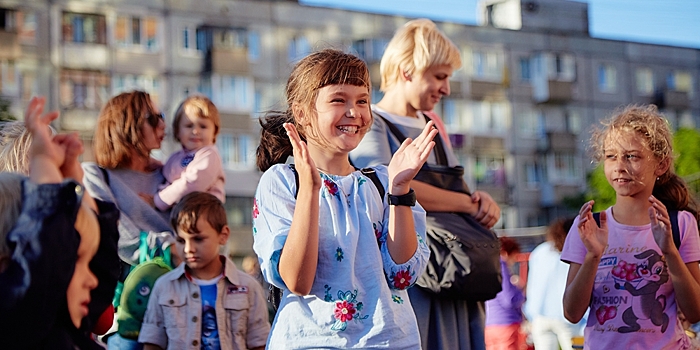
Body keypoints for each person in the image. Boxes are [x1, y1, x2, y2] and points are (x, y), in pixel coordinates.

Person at [253, 48, 436, 348]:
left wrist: (400, 191)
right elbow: (297, 281)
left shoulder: (381, 182)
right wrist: (311, 191)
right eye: (339, 100)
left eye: (362, 100)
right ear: (301, 113)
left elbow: (402, 275)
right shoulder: (282, 182)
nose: (355, 113)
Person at [349, 18, 501, 350]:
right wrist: (466, 204)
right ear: (407, 70)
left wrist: (479, 198)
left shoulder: (433, 124)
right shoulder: (372, 124)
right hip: (414, 276)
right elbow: (386, 182)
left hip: (454, 272)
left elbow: (454, 188)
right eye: (439, 77)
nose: (446, 88)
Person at [562, 105, 700, 349]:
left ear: (661, 164)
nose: (619, 166)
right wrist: (593, 256)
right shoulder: (589, 226)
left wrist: (669, 251)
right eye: (611, 156)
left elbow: (695, 311)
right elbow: (571, 313)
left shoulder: (679, 224)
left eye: (632, 156)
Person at [0, 97, 119, 349]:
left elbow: (102, 267)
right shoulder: (22, 324)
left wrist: (75, 181)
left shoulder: (64, 324)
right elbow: (43, 259)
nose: (93, 280)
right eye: (73, 259)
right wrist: (44, 164)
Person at [81, 90, 175, 348]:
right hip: (129, 316)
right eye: (154, 118)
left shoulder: (172, 178)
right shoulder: (96, 176)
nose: (163, 124)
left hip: (180, 311)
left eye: (162, 116)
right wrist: (171, 247)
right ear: (127, 125)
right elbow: (121, 238)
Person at [139, 192, 270, 350]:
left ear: (223, 235)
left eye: (198, 239)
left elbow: (259, 343)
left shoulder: (249, 287)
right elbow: (152, 344)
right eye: (180, 240)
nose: (188, 249)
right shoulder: (164, 286)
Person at [151, 95, 225, 211]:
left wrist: (159, 200)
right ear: (177, 131)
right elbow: (166, 177)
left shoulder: (209, 155)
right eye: (189, 126)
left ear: (214, 131)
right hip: (182, 214)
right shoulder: (175, 158)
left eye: (203, 126)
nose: (195, 131)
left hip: (205, 214)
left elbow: (193, 183)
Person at [523, 217, 585, 350]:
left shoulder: (540, 251)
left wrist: (530, 313)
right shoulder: (575, 252)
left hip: (539, 314)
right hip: (566, 315)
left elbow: (532, 283)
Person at [485, 237, 525, 350]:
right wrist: (521, 292)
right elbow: (509, 298)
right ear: (507, 253)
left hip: (489, 323)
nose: (514, 261)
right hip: (506, 323)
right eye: (515, 256)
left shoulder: (487, 264)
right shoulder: (501, 265)